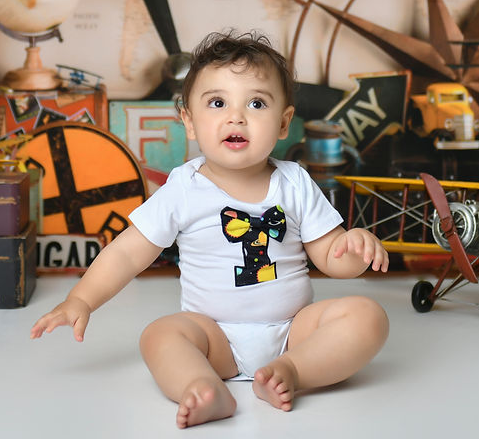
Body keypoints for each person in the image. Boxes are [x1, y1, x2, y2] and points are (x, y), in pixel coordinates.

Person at [30, 31, 389, 428]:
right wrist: (81, 300)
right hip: (214, 337)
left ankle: (292, 371)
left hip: (294, 332)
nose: (236, 117)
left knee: (367, 316)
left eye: (256, 103)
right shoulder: (184, 188)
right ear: (189, 121)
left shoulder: (295, 182)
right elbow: (128, 253)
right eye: (218, 103)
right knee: (159, 335)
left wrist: (355, 249)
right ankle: (201, 385)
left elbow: (331, 257)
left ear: (284, 123)